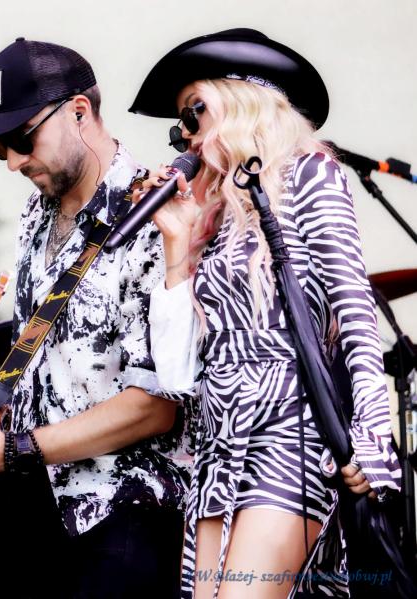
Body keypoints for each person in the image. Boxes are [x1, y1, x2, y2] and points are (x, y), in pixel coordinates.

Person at [0, 38, 190, 598]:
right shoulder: (36, 214)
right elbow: (36, 372)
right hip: (28, 505)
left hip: (121, 515)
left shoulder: (158, 215)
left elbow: (156, 404)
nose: (13, 161)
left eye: (21, 139)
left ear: (79, 112)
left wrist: (11, 452)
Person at [131, 28, 402, 598]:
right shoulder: (211, 216)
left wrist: (373, 435)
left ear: (244, 101)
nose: (185, 134)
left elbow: (355, 307)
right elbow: (177, 377)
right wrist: (177, 245)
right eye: (179, 124)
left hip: (289, 426)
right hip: (216, 439)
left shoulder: (311, 174)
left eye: (194, 111)